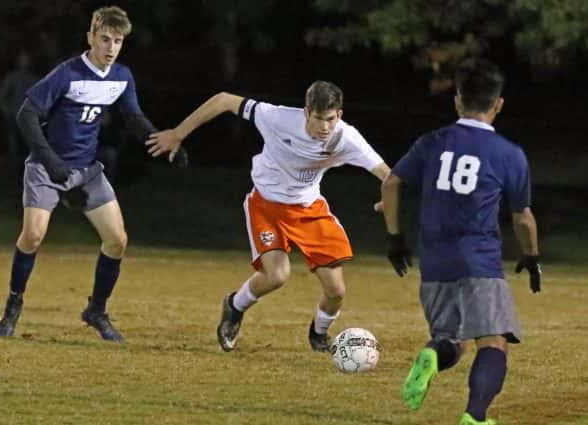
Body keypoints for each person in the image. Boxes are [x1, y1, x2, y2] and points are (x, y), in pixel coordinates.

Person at [147, 81, 390, 352]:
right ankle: (234, 307)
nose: (324, 127)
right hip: (266, 206)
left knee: (336, 291)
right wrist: (178, 134)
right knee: (276, 276)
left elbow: (387, 174)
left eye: (331, 120)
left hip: (310, 210)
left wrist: (389, 196)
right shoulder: (277, 117)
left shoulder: (347, 138)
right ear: (307, 112)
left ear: (339, 115)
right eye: (319, 119)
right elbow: (224, 100)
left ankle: (319, 335)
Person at [0, 6, 187, 341]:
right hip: (46, 167)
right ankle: (13, 305)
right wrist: (52, 164)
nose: (111, 47)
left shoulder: (122, 76)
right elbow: (26, 115)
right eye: (105, 39)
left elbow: (133, 119)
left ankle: (96, 310)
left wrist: (164, 143)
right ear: (91, 37)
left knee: (117, 241)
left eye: (118, 41)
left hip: (87, 171)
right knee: (33, 236)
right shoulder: (67, 73)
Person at [380, 58, 541, 425]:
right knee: (493, 341)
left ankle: (435, 355)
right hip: (479, 261)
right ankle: (475, 417)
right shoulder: (508, 154)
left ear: (457, 101)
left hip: (434, 262)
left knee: (454, 340)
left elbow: (391, 184)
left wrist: (394, 238)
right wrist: (531, 255)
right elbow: (522, 217)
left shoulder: (431, 142)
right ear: (498, 104)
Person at [0, 51, 37, 179]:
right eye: (22, 59)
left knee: (30, 147)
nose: (25, 62)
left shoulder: (33, 78)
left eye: (27, 59)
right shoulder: (13, 78)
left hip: (30, 119)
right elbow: (1, 95)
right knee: (14, 147)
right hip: (14, 117)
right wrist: (7, 111)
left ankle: (28, 174)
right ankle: (13, 174)